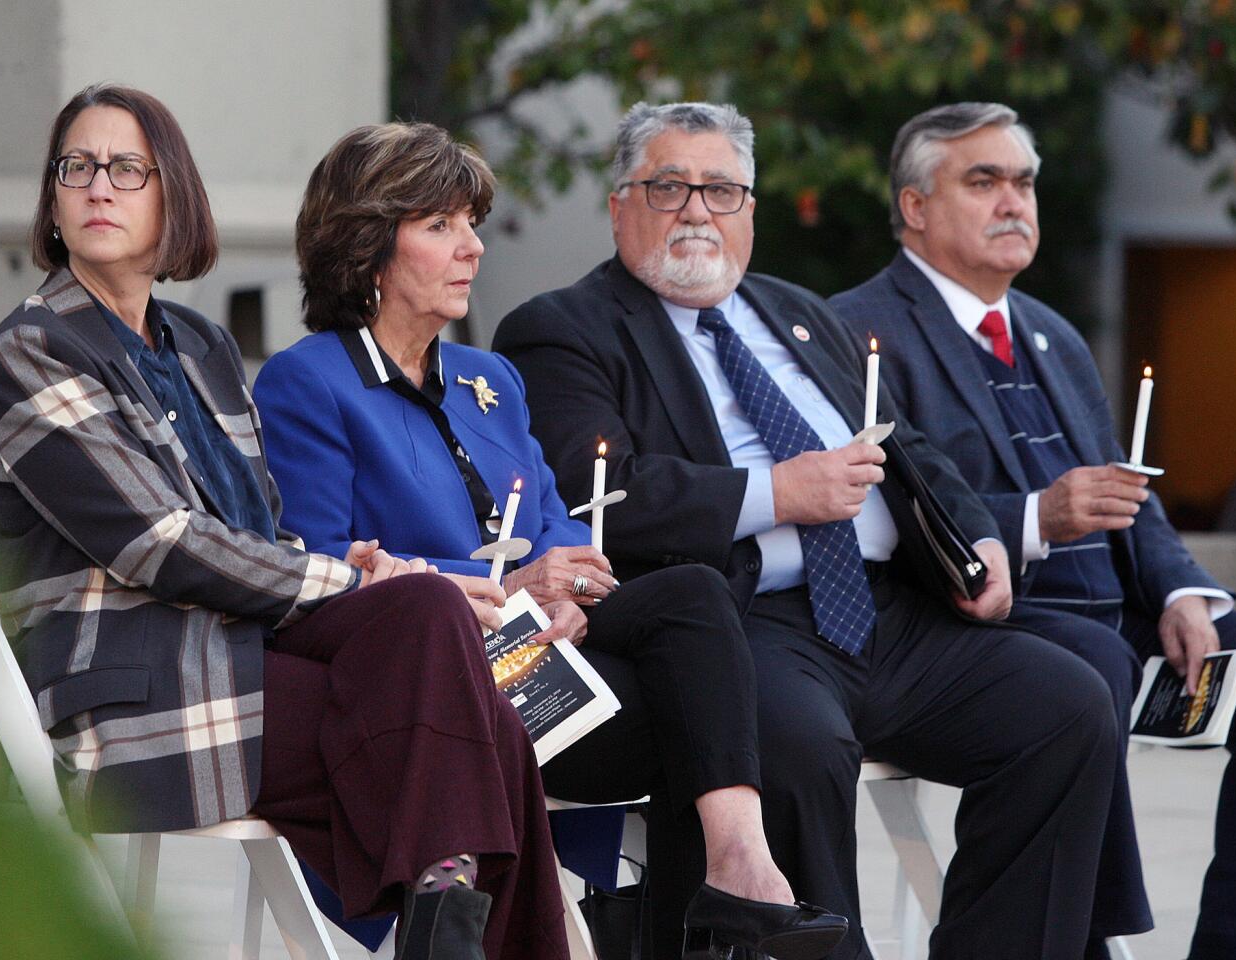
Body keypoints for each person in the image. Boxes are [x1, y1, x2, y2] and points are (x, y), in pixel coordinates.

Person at [493, 100, 1121, 960]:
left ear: (751, 209)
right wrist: (775, 491)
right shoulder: (562, 328)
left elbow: (911, 450)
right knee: (794, 747)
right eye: (669, 187)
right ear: (619, 205)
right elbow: (603, 492)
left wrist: (976, 536)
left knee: (1070, 708)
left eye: (722, 191)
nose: (696, 212)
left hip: (890, 614)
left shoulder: (799, 313)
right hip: (748, 623)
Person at [0, 83, 568, 960]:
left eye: (128, 169)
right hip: (134, 693)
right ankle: (445, 921)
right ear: (54, 205)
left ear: (172, 195)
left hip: (236, 658)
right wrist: (348, 577)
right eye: (78, 168)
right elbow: (161, 541)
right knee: (476, 726)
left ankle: (443, 914)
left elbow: (260, 528)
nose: (100, 187)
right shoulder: (32, 349)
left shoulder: (199, 347)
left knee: (430, 619)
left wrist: (369, 568)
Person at [252, 121, 849, 960]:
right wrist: (515, 584)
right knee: (708, 725)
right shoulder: (308, 380)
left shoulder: (487, 378)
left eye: (472, 224)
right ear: (367, 249)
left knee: (692, 595)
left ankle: (741, 869)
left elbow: (555, 517)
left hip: (541, 655)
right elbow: (322, 565)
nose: (472, 249)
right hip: (437, 678)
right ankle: (716, 914)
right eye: (441, 226)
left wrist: (565, 576)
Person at [829, 101, 1236, 960]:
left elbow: (1123, 487)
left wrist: (1184, 590)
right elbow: (881, 515)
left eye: (1024, 181)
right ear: (915, 206)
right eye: (984, 180)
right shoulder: (858, 333)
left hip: (1122, 627)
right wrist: (1036, 518)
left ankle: (1230, 937)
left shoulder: (1050, 331)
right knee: (1085, 662)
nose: (1014, 202)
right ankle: (1086, 939)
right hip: (986, 632)